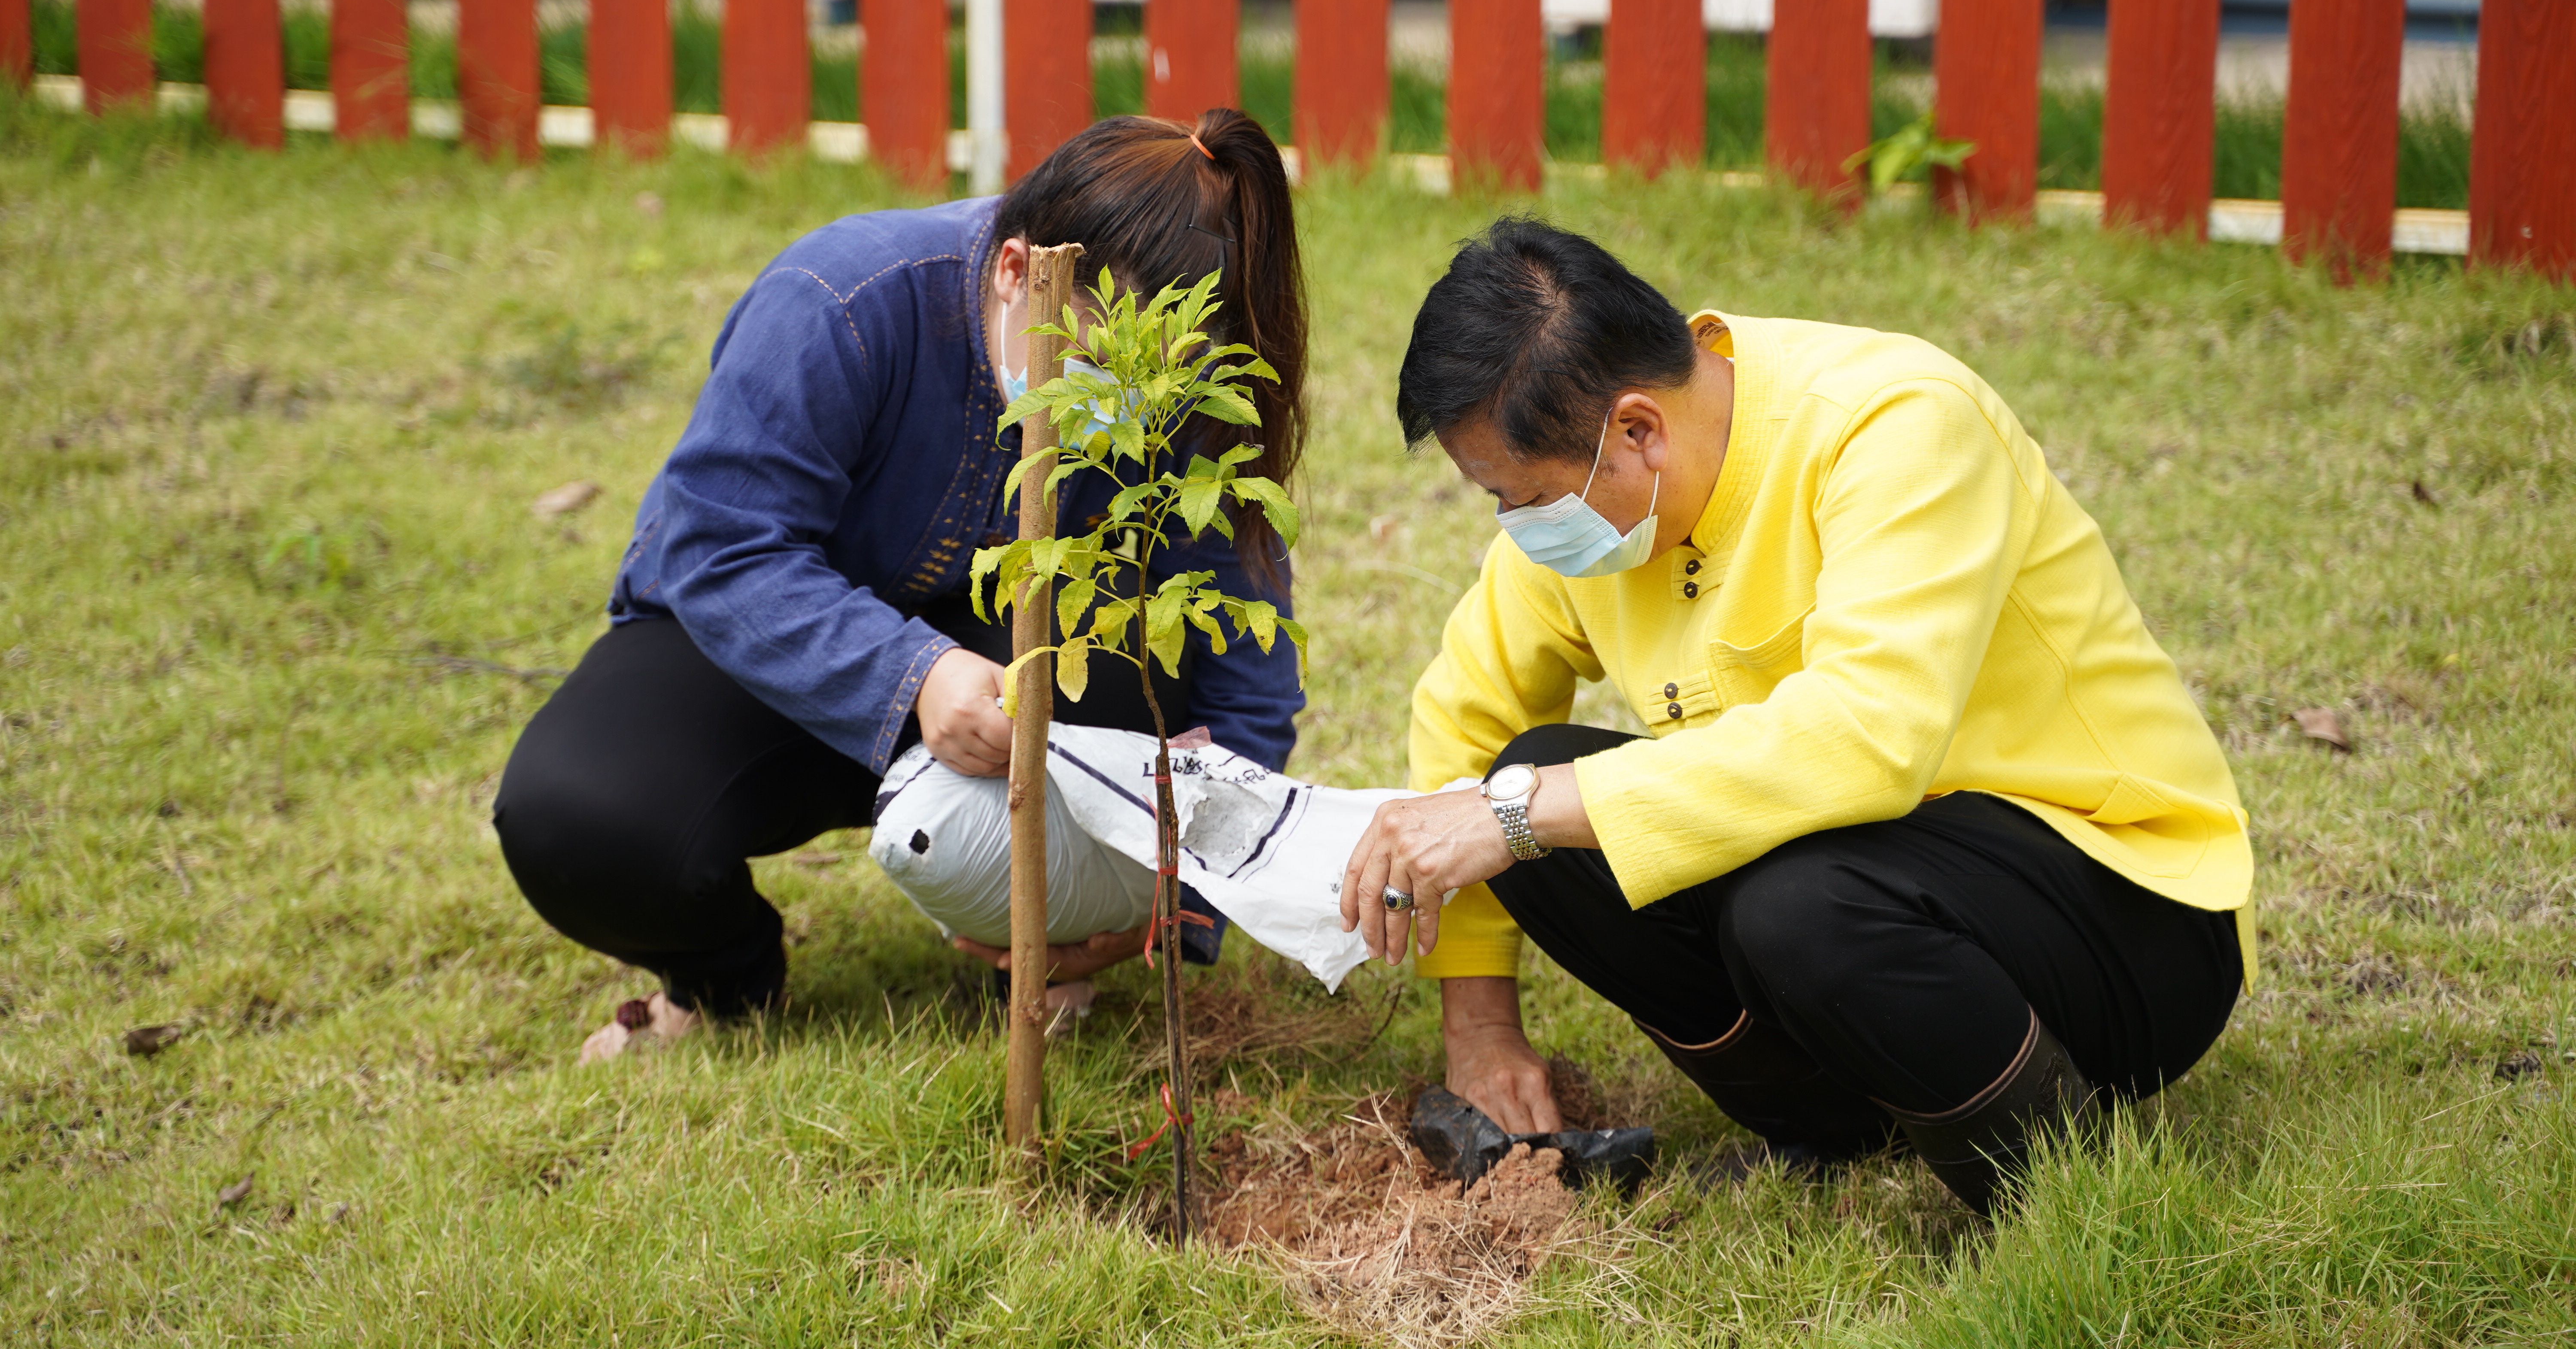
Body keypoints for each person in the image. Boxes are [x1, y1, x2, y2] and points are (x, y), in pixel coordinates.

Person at [1341, 219, 2250, 1214]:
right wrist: (1481, 1026)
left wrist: (1520, 810)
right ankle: (1838, 1125)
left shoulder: (1895, 424)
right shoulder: (1598, 508)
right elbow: (1468, 723)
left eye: (1527, 498)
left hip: (2126, 910)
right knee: (1530, 771)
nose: (1516, 527)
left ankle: (2059, 1185)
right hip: (1871, 887)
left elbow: (1869, 736)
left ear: (1637, 430)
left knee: (1776, 897)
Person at [494, 112, 1307, 1061]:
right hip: (768, 659)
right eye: (1097, 362)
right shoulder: (842, 300)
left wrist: (1179, 908)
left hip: (1018, 690)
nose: (1122, 401)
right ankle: (724, 982)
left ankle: (1043, 947)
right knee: (577, 812)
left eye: (1153, 381)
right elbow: (719, 547)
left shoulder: (1193, 387)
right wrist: (912, 674)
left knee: (1139, 658)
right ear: (1016, 272)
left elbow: (1241, 671)